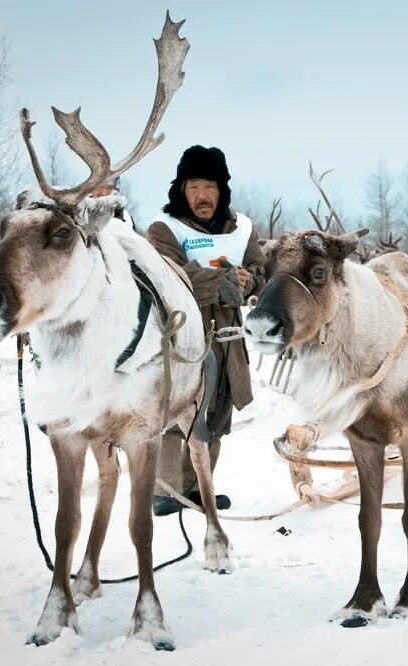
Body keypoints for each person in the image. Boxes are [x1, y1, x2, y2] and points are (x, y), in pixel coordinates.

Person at [145, 145, 266, 516]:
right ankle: (165, 490)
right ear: (181, 188)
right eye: (194, 185)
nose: (202, 194)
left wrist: (250, 281)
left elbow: (262, 272)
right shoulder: (165, 229)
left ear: (222, 189)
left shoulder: (242, 229)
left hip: (227, 337)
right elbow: (172, 276)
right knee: (174, 411)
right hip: (181, 338)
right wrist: (225, 281)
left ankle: (198, 487)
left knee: (216, 411)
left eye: (210, 185)